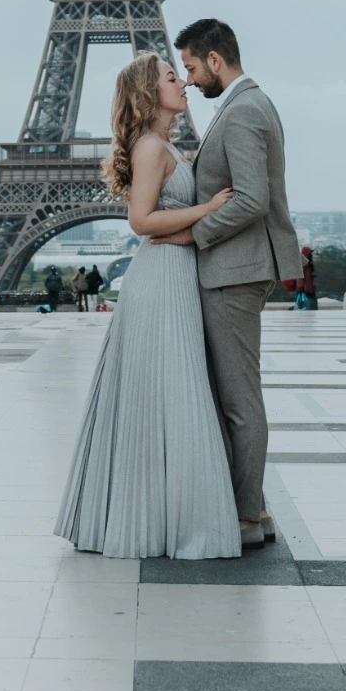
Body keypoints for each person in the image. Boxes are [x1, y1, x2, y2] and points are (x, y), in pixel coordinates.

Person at [56, 52, 243, 559]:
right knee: (172, 389)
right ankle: (170, 520)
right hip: (159, 282)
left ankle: (159, 515)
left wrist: (192, 228)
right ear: (147, 92)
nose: (182, 83)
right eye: (169, 77)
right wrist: (207, 209)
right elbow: (141, 221)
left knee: (169, 392)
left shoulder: (165, 145)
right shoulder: (148, 147)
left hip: (172, 277)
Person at [167, 18, 302, 548]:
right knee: (236, 395)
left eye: (194, 68)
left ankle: (246, 515)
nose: (192, 80)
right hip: (238, 269)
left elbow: (252, 198)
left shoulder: (244, 110)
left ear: (216, 60)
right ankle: (256, 507)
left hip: (234, 271)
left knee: (238, 399)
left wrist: (193, 233)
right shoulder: (245, 104)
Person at [295, 245, 318, 310]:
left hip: (308, 290)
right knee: (308, 308)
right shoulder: (304, 265)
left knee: (308, 307)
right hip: (305, 291)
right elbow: (300, 277)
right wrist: (301, 288)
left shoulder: (307, 264)